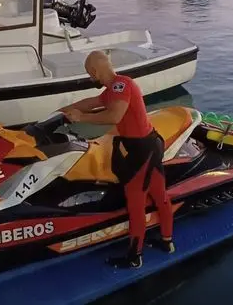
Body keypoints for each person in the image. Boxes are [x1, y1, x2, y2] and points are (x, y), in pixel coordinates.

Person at [60, 50, 174, 269]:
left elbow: (114, 116)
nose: (90, 78)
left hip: (141, 150)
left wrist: (81, 118)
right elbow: (91, 102)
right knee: (160, 195)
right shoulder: (113, 89)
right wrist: (64, 111)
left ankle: (134, 257)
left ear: (94, 70)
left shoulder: (122, 86)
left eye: (89, 73)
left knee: (136, 202)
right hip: (150, 144)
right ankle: (167, 241)